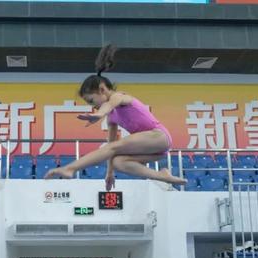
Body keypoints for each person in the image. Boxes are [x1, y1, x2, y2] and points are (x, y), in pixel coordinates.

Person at [44, 45, 187, 190]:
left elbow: (110, 104)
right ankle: (161, 175)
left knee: (113, 147)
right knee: (118, 162)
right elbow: (111, 147)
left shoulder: (120, 97)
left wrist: (99, 114)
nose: (94, 106)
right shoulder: (111, 117)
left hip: (159, 137)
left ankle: (71, 168)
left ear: (102, 89)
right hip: (157, 152)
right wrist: (110, 173)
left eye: (92, 101)